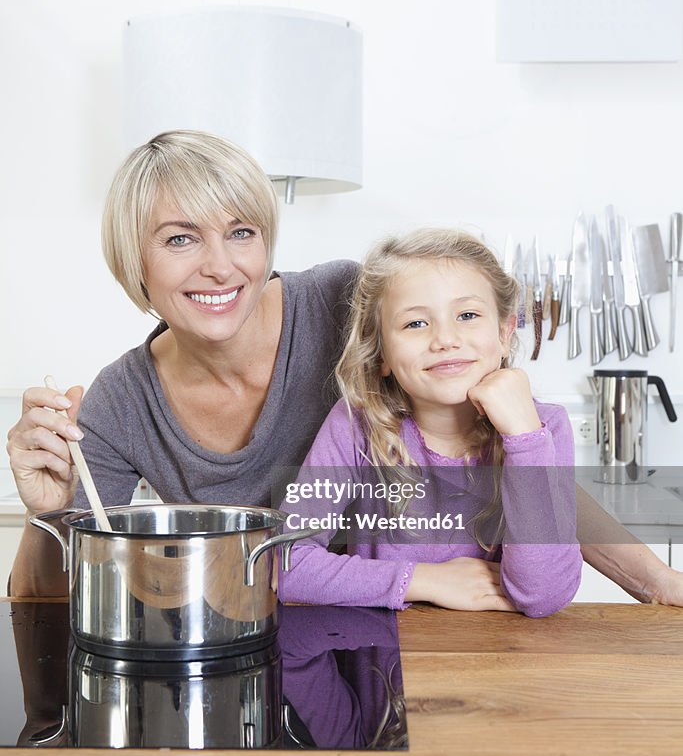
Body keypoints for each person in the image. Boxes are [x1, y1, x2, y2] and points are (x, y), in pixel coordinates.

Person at [6, 130, 683, 608]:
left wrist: (657, 581)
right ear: (135, 261)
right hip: (265, 646)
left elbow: (514, 460)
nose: (219, 265)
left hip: (422, 643)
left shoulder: (351, 307)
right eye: (181, 238)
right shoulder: (120, 404)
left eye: (241, 231)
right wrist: (48, 513)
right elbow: (39, 603)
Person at [278, 228, 582, 617]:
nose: (445, 340)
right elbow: (283, 563)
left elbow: (543, 595)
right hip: (384, 659)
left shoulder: (543, 429)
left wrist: (524, 438)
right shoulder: (356, 426)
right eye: (415, 324)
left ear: (505, 334)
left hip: (504, 662)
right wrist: (425, 580)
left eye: (468, 315)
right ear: (381, 353)